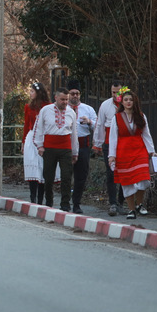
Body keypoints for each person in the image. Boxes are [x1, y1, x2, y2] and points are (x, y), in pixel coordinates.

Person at [108, 88, 157, 219]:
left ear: (134, 101)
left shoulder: (141, 116)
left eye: (131, 100)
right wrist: (112, 155)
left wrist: (151, 151)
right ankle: (131, 210)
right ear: (122, 102)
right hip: (123, 151)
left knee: (144, 179)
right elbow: (113, 137)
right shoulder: (117, 118)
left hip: (139, 150)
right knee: (127, 182)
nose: (128, 102)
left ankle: (140, 204)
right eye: (126, 100)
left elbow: (146, 134)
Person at [33, 88, 78, 211]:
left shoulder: (71, 113)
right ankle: (49, 202)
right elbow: (39, 128)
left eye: (66, 100)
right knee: (48, 177)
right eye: (62, 99)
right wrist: (39, 145)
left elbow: (74, 133)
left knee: (66, 177)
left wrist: (75, 152)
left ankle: (65, 204)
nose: (65, 102)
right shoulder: (45, 110)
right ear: (56, 98)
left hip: (65, 147)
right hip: (49, 147)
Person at [93, 80, 124, 216]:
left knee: (124, 173)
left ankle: (122, 202)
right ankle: (112, 203)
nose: (116, 95)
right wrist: (97, 144)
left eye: (118, 92)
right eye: (113, 92)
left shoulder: (128, 104)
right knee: (111, 173)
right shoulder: (105, 105)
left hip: (124, 144)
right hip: (108, 144)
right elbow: (99, 125)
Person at [67, 79, 97, 213]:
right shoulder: (63, 109)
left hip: (83, 145)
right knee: (66, 175)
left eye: (77, 94)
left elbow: (98, 127)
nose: (75, 96)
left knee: (81, 176)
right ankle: (65, 202)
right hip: (67, 146)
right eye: (72, 93)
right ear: (68, 94)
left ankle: (76, 203)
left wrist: (89, 122)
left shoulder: (88, 109)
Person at [22, 82, 51, 204]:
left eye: (32, 91)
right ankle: (32, 197)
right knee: (32, 167)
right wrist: (23, 142)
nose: (30, 93)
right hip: (31, 138)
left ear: (38, 92)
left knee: (42, 169)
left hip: (44, 138)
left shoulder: (48, 106)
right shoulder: (28, 107)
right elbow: (26, 125)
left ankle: (40, 198)